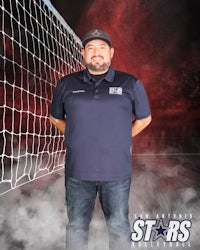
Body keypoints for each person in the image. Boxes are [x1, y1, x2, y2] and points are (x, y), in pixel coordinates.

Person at [50, 29, 152, 250]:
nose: (96, 53)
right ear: (83, 53)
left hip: (116, 173)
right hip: (78, 173)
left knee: (118, 227)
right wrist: (76, 134)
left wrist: (120, 137)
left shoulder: (130, 83)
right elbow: (56, 118)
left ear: (112, 53)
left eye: (102, 48)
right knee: (76, 226)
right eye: (91, 48)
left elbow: (145, 119)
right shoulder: (66, 84)